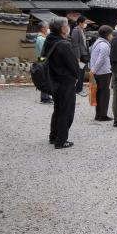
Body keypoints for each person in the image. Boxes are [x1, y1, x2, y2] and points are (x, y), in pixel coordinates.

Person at [42, 17, 78, 149]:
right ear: (62, 28)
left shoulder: (49, 40)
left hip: (53, 80)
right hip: (65, 81)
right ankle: (61, 140)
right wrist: (76, 76)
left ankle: (53, 136)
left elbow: (41, 58)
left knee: (57, 109)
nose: (68, 27)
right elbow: (73, 65)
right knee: (66, 111)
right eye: (67, 25)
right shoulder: (64, 44)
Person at [90, 25, 114, 122]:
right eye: (111, 34)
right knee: (104, 94)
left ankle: (98, 114)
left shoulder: (96, 42)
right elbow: (101, 59)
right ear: (107, 35)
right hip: (103, 72)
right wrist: (94, 70)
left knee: (98, 93)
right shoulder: (104, 45)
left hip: (96, 72)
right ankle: (103, 115)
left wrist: (92, 70)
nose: (112, 36)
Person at [71, 15, 89, 97]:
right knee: (80, 72)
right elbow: (75, 45)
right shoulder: (76, 30)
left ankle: (80, 87)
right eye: (85, 22)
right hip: (80, 56)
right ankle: (79, 89)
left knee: (81, 72)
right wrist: (77, 57)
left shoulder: (82, 30)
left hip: (83, 54)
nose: (86, 24)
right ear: (80, 23)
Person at [35, 21, 52, 104]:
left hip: (41, 59)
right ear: (42, 28)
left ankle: (46, 97)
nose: (48, 28)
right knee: (45, 79)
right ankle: (45, 98)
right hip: (43, 60)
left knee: (46, 78)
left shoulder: (41, 38)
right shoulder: (41, 39)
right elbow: (44, 51)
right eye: (47, 27)